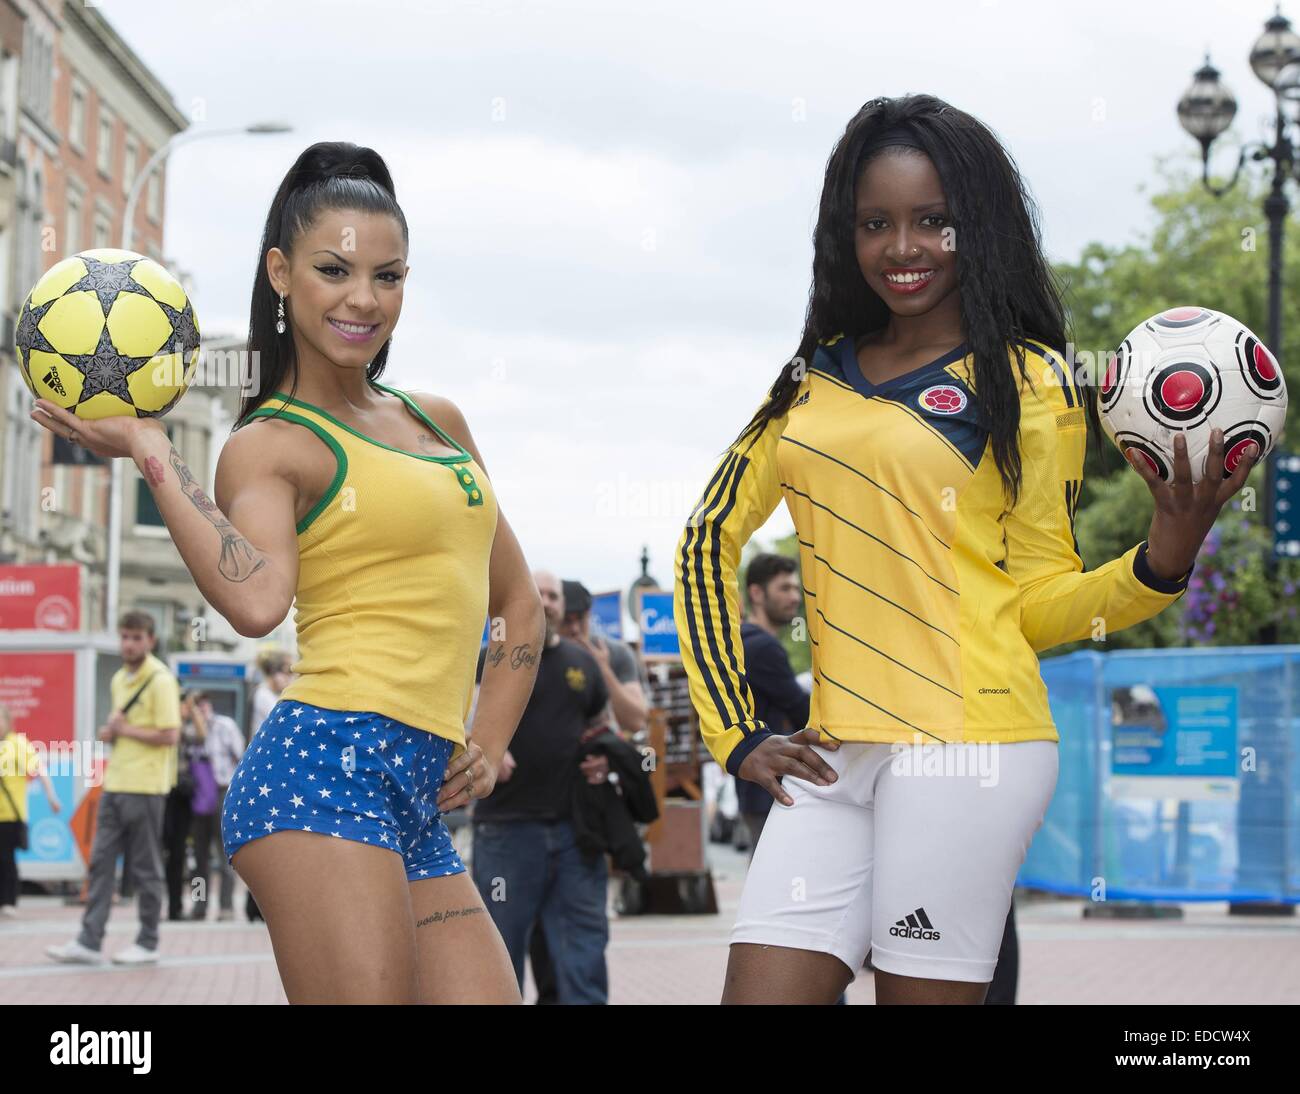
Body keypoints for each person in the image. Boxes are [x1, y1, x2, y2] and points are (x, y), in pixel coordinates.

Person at [673, 94, 1258, 1005]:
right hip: (831, 756)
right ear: (846, 234)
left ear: (975, 225)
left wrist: (1162, 560)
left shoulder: (1032, 382)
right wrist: (736, 732)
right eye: (876, 223)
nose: (903, 247)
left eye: (933, 221)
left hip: (969, 748)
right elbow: (709, 537)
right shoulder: (808, 377)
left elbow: (1036, 604)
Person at [30, 142, 543, 1004]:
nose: (363, 299)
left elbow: (519, 604)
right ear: (281, 271)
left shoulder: (439, 419)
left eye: (388, 276)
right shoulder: (269, 443)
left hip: (415, 791)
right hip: (320, 773)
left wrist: (489, 742)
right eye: (334, 270)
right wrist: (152, 449)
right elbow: (258, 601)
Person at [471, 570, 613, 1004]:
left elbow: (602, 727)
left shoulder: (582, 662)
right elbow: (460, 717)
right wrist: (483, 745)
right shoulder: (489, 656)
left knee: (580, 957)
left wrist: (605, 759)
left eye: (554, 596)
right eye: (540, 594)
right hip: (505, 832)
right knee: (499, 952)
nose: (548, 602)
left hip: (575, 834)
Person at [46, 611, 181, 965]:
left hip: (147, 787)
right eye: (124, 637)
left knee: (145, 868)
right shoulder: (120, 678)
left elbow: (171, 734)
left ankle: (148, 941)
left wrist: (124, 731)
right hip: (115, 781)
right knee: (100, 863)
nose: (128, 644)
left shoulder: (162, 680)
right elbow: (126, 727)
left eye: (136, 637)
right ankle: (89, 941)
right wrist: (111, 733)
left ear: (151, 640)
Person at [736, 553, 809, 853]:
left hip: (754, 788)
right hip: (771, 791)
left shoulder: (741, 642)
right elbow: (802, 711)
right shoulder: (762, 647)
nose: (794, 597)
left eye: (796, 588)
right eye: (784, 588)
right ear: (756, 593)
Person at [0, 701, 62, 917]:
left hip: (10, 814)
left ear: (8, 722)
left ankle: (8, 901)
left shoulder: (18, 744)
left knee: (6, 858)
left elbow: (39, 770)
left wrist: (51, 796)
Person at [191, 692, 244, 921]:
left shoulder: (224, 726)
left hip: (222, 791)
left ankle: (226, 906)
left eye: (199, 706)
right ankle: (199, 905)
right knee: (198, 857)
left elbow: (241, 755)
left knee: (224, 854)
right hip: (197, 796)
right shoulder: (188, 730)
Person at [163, 689, 208, 920]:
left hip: (188, 794)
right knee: (167, 853)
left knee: (188, 854)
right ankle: (172, 905)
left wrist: (191, 709)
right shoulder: (164, 726)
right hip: (162, 791)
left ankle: (194, 905)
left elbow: (202, 735)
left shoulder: (189, 729)